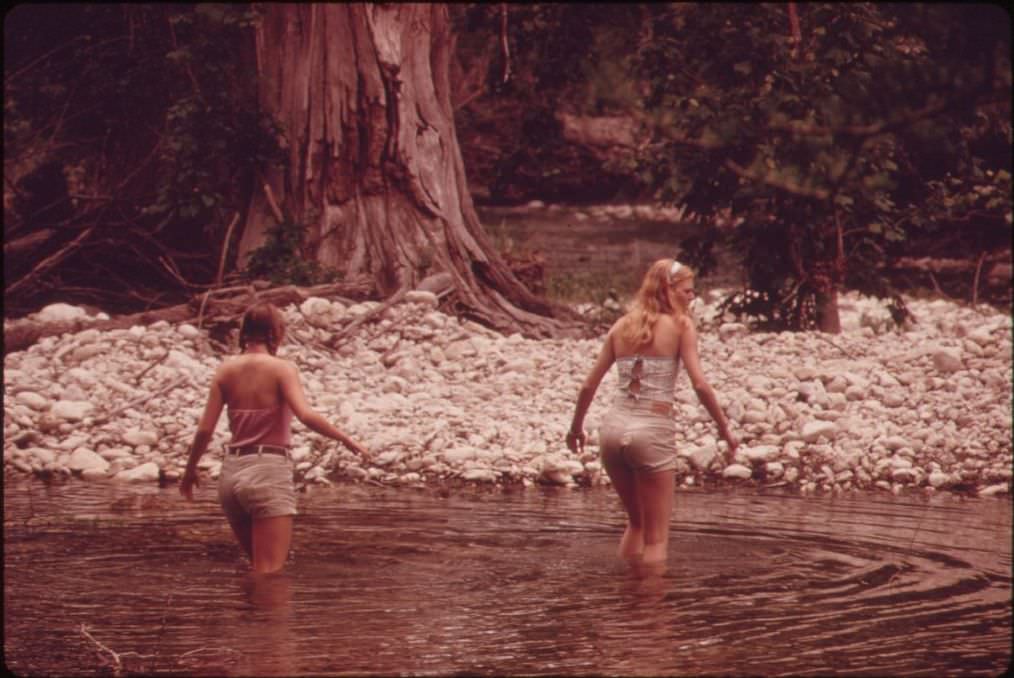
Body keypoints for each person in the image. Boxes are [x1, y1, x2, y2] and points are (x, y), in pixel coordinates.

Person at [566, 258, 738, 570]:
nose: (691, 297)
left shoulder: (621, 326)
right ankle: (652, 614)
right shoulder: (681, 326)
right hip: (652, 431)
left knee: (636, 524)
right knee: (657, 539)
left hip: (612, 431)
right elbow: (700, 385)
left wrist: (575, 429)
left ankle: (627, 603)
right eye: (687, 291)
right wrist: (724, 429)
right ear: (669, 291)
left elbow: (587, 386)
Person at [181, 302, 369, 573]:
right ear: (276, 333)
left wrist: (189, 472)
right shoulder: (282, 369)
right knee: (269, 574)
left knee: (256, 567)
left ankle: (245, 616)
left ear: (244, 332)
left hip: (230, 476)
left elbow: (204, 430)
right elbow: (305, 415)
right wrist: (346, 439)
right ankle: (271, 618)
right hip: (267, 473)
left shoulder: (225, 371)